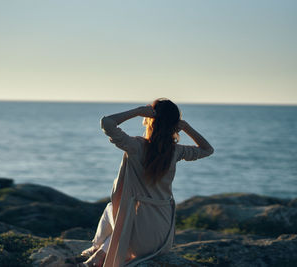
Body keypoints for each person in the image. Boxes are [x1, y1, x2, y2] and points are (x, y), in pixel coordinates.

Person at [80, 98, 214, 267]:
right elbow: (207, 149)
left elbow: (107, 123)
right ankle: (97, 254)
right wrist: (186, 126)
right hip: (161, 237)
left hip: (135, 239)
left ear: (150, 120)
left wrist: (137, 111)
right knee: (120, 216)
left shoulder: (135, 146)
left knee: (112, 209)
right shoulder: (176, 152)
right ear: (174, 125)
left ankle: (96, 253)